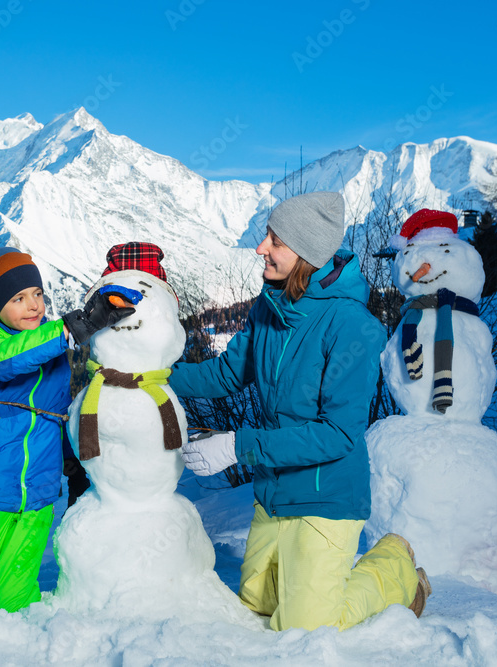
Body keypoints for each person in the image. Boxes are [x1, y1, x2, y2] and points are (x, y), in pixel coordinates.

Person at [170, 192, 431, 631]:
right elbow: (226, 375)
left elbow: (338, 435)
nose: (260, 248)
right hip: (274, 492)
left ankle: (397, 569)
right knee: (257, 603)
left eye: (275, 239)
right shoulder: (268, 307)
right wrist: (151, 373)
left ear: (306, 252)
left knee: (304, 625)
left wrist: (238, 445)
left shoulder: (352, 327)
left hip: (327, 495)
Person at [0, 247, 131, 611]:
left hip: (37, 492)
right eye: (18, 298)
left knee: (16, 594)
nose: (34, 305)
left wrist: (72, 465)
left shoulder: (49, 342)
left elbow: (57, 413)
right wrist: (70, 330)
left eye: (37, 294)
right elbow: (0, 362)